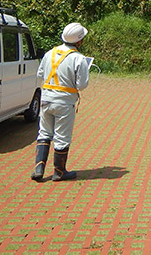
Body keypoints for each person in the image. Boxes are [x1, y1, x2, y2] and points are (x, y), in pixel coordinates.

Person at [31, 22, 90, 182]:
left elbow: (41, 73)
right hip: (64, 102)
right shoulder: (79, 59)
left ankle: (39, 168)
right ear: (79, 41)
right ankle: (59, 171)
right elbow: (81, 85)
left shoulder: (49, 53)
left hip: (46, 99)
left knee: (44, 133)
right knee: (62, 137)